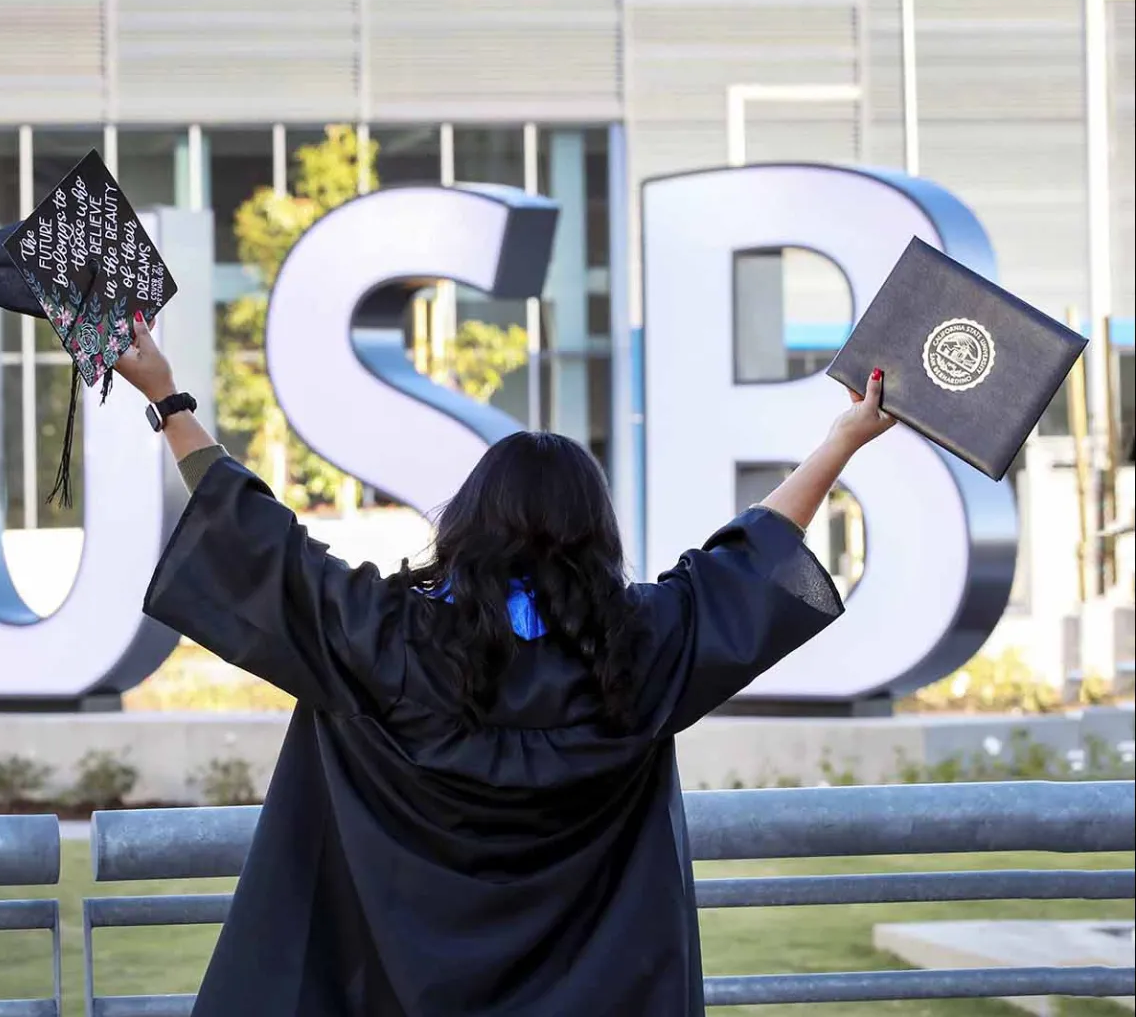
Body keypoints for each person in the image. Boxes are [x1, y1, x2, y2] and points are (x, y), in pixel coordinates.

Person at [113, 312, 896, 1016]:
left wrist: (169, 400)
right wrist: (841, 441)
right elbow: (747, 566)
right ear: (597, 533)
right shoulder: (639, 653)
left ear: (472, 519)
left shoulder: (387, 640)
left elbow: (261, 545)